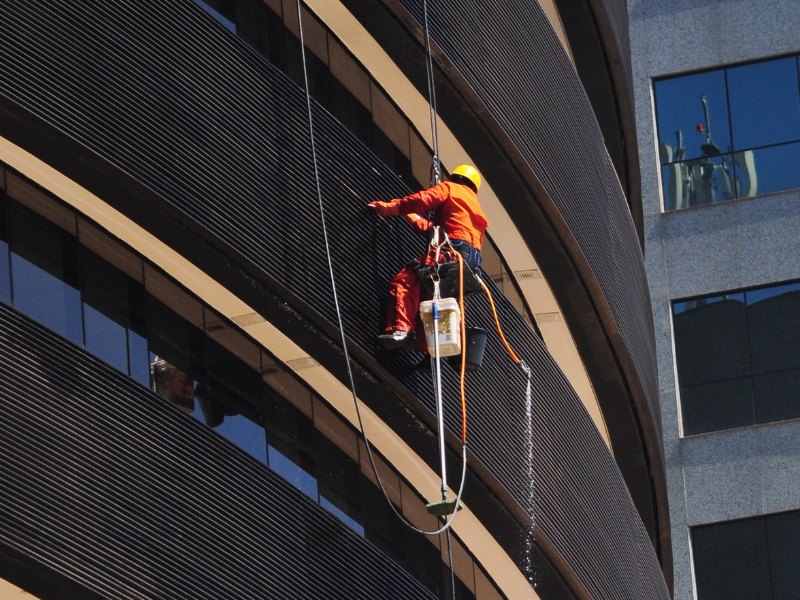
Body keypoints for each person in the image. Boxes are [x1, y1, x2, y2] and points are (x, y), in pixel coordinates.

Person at [368, 165, 489, 351]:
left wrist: (391, 208)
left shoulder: (450, 188)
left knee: (404, 282)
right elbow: (443, 233)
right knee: (428, 297)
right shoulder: (474, 208)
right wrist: (411, 217)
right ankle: (429, 350)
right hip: (467, 263)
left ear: (455, 177)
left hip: (448, 254)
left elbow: (422, 200)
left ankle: (400, 331)